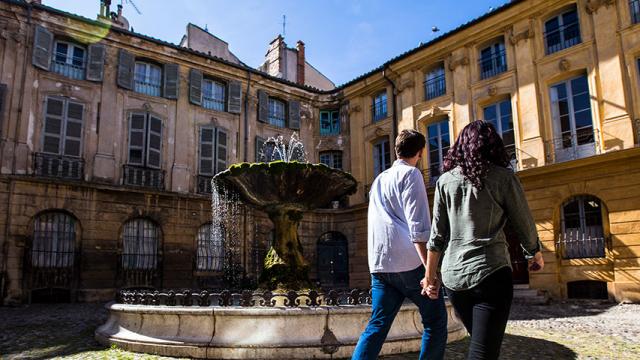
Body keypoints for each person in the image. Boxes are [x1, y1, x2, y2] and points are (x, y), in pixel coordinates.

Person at [424, 120, 545, 360]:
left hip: (454, 278)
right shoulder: (503, 178)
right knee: (483, 353)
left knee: (482, 347)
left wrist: (430, 278)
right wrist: (534, 253)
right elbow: (523, 221)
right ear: (493, 146)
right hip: (491, 273)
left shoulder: (444, 182)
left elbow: (437, 235)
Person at [352, 129, 448, 360]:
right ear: (421, 152)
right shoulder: (412, 175)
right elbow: (419, 228)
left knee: (377, 325)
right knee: (435, 321)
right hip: (409, 263)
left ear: (396, 150)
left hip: (380, 265)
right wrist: (430, 272)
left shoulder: (379, 180)